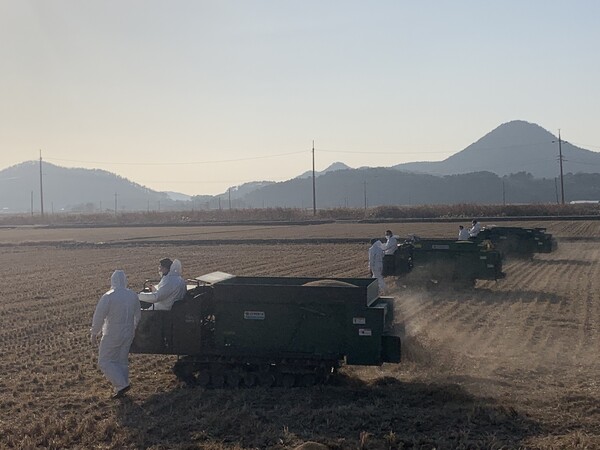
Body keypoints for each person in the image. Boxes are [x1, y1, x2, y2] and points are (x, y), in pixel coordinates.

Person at [90, 270, 141, 399]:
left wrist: (94, 332)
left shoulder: (109, 296)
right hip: (128, 332)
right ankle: (123, 385)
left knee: (105, 361)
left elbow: (99, 316)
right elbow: (138, 315)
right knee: (122, 360)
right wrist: (133, 328)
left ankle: (121, 385)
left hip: (112, 332)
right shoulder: (132, 295)